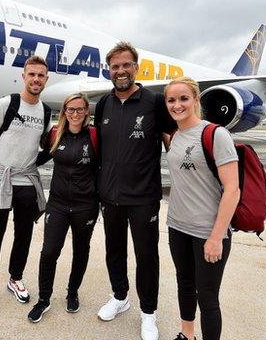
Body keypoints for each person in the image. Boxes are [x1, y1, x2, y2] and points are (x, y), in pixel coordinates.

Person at [94, 42, 176, 340]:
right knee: (114, 251)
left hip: (143, 197)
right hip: (110, 197)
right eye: (115, 66)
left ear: (135, 67)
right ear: (109, 70)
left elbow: (171, 140)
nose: (121, 71)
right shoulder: (103, 104)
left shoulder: (153, 102)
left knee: (146, 256)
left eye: (126, 65)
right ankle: (120, 297)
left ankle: (148, 313)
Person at [0, 56, 51, 315]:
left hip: (27, 182)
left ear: (46, 79)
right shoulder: (8, 103)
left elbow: (45, 146)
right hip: (1, 180)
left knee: (24, 235)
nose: (36, 79)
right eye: (32, 74)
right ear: (24, 76)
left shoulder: (46, 111)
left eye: (41, 75)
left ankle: (15, 278)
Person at [164, 77, 239, 340]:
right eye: (171, 100)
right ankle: (187, 335)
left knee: (207, 296)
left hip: (208, 230)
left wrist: (217, 237)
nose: (177, 105)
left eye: (184, 98)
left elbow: (232, 189)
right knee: (184, 284)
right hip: (177, 225)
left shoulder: (216, 134)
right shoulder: (174, 136)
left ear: (196, 100)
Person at [27, 93, 99, 323]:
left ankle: (72, 292)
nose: (75, 114)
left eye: (79, 109)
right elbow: (38, 158)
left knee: (81, 251)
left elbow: (109, 167)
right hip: (57, 204)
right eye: (70, 109)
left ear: (87, 111)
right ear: (64, 111)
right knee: (49, 252)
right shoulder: (56, 134)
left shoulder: (96, 136)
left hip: (85, 207)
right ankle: (44, 299)